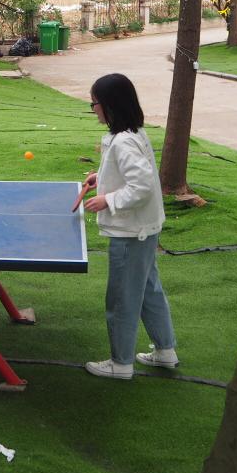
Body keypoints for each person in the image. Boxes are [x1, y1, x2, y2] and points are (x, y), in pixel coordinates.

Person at [80, 73, 177, 380]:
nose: (93, 109)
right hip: (145, 228)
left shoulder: (123, 142)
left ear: (109, 105)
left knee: (122, 298)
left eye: (94, 103)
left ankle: (120, 364)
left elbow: (142, 186)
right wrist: (100, 178)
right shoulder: (133, 133)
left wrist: (108, 200)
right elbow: (132, 173)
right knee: (148, 290)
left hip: (131, 233)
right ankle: (165, 351)